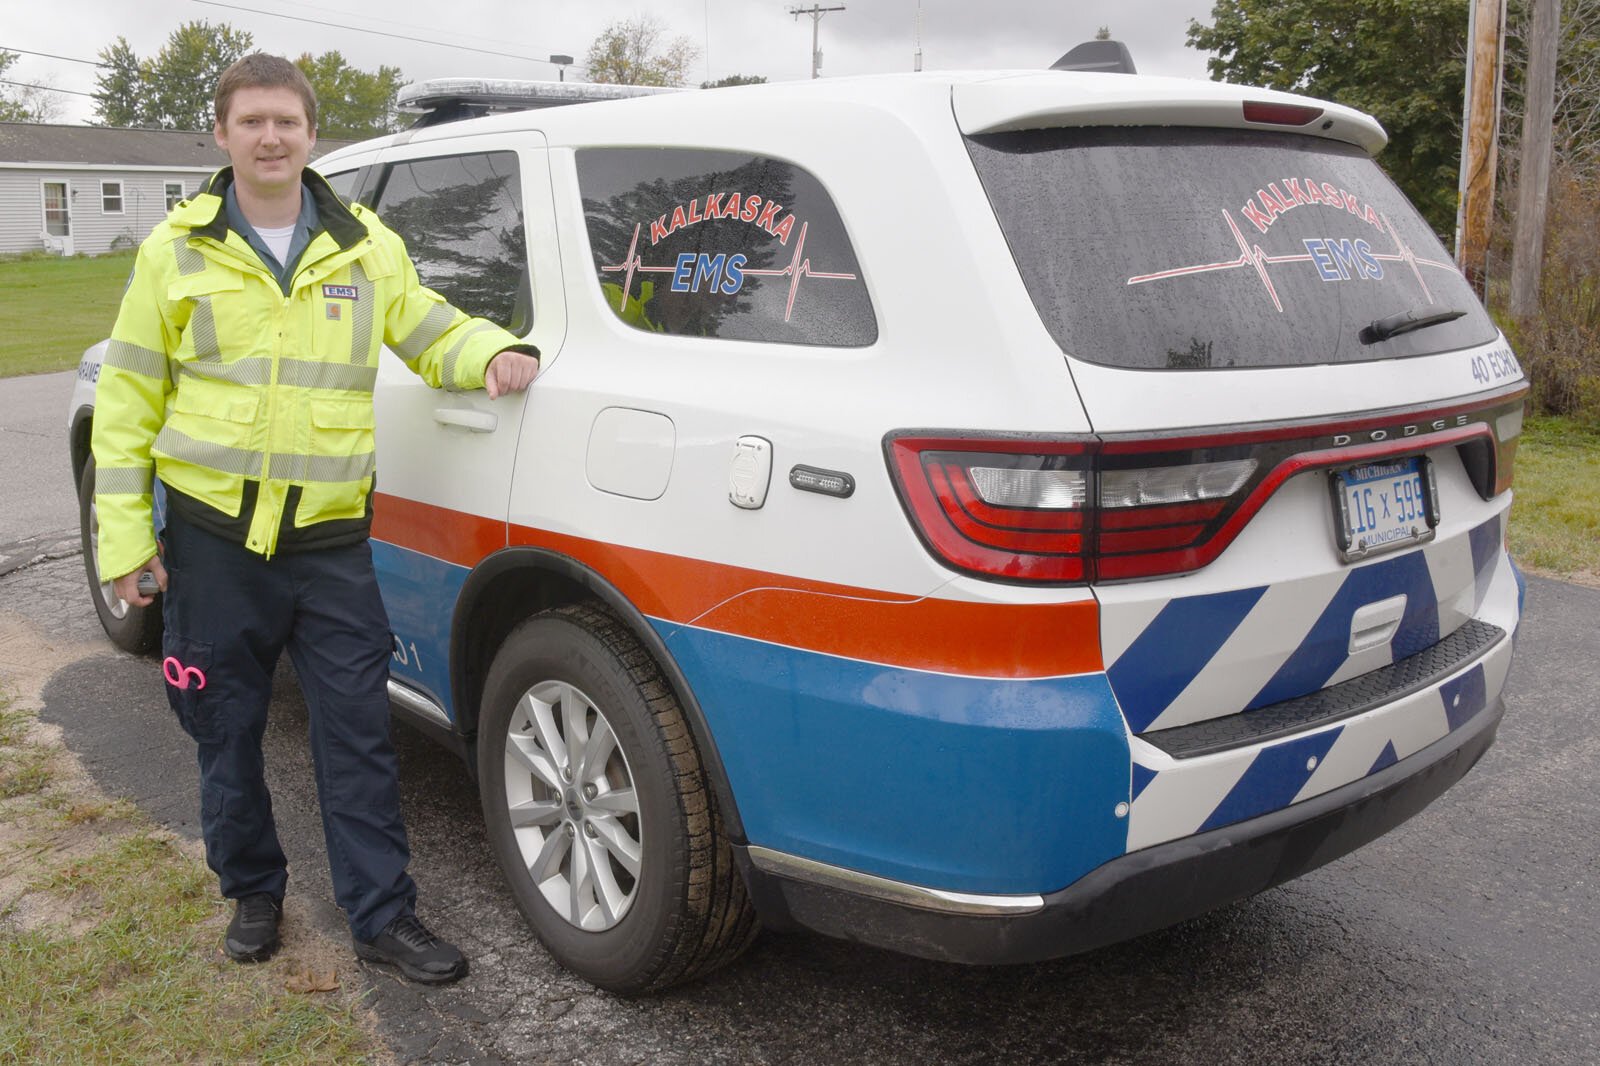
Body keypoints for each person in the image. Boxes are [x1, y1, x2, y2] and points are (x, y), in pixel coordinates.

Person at [90, 53, 540, 985]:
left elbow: (425, 323)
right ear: (221, 134)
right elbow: (129, 405)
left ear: (309, 133)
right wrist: (129, 543)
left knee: (358, 737)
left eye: (286, 122)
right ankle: (253, 891)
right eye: (251, 121)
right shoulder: (174, 251)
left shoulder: (363, 242)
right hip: (213, 545)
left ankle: (382, 916)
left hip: (331, 547)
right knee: (224, 727)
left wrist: (495, 351)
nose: (269, 137)